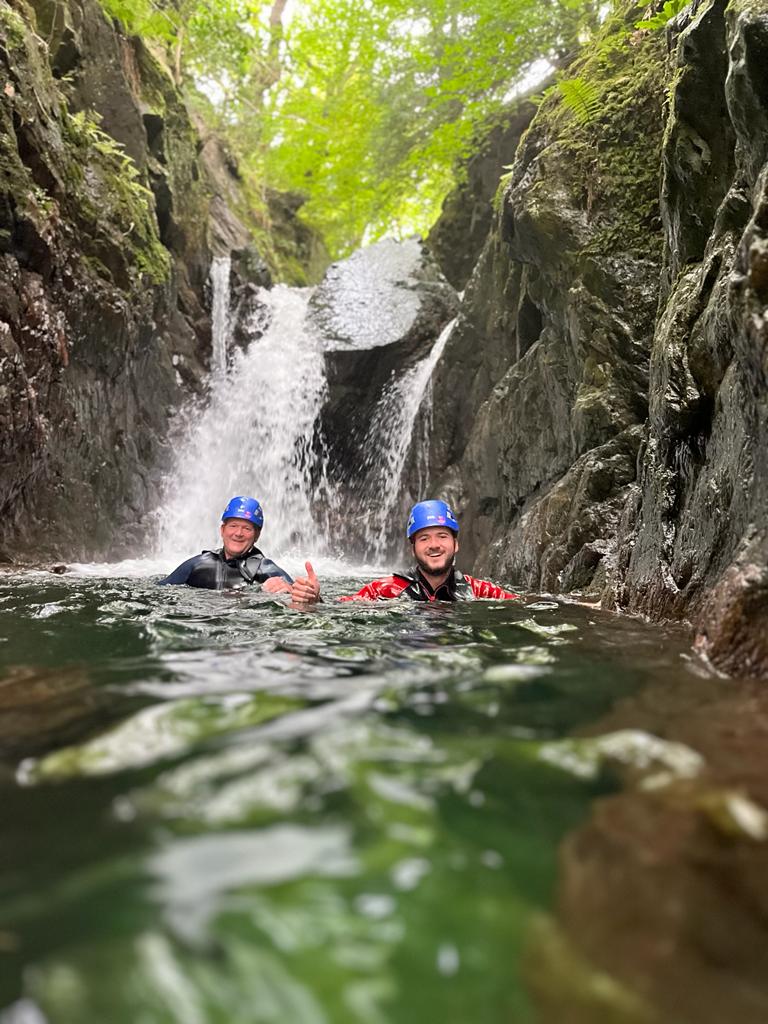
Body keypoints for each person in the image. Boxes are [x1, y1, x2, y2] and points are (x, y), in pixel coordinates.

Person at [339, 499, 518, 602]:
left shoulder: (479, 590)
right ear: (413, 549)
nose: (434, 544)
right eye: (424, 538)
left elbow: (520, 604)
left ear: (455, 544)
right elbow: (343, 607)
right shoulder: (385, 589)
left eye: (442, 536)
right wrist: (314, 600)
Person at [159, 495, 320, 603]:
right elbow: (158, 591)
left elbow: (300, 597)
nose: (238, 533)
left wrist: (313, 597)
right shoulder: (198, 564)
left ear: (256, 535)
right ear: (222, 530)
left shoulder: (267, 570)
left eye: (247, 528)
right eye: (233, 526)